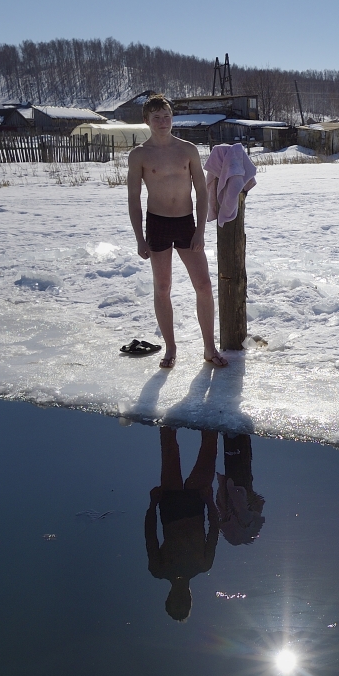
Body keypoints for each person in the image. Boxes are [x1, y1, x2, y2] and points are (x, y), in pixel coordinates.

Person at [128, 94, 227, 369]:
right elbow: (133, 199)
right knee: (162, 287)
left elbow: (202, 192)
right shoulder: (139, 155)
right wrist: (139, 237)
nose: (163, 121)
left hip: (186, 222)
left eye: (167, 116)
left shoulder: (188, 150)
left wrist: (199, 231)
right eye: (157, 117)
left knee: (204, 286)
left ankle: (209, 347)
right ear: (147, 121)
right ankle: (170, 348)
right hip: (157, 223)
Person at [145, 426, 220, 622]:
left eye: (175, 601)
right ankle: (213, 412)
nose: (180, 597)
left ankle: (169, 410)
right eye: (184, 602)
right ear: (190, 598)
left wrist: (153, 504)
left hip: (170, 507)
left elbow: (150, 536)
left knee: (169, 448)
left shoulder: (158, 569)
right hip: (197, 504)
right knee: (209, 449)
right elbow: (214, 530)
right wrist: (209, 501)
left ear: (168, 597)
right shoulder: (203, 565)